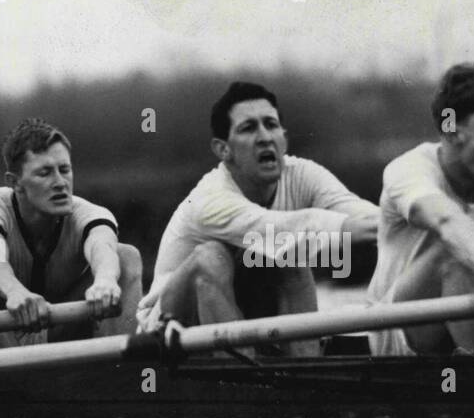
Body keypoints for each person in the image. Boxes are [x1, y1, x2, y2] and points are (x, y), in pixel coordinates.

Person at [138, 81, 378, 356]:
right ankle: (244, 382)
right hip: (166, 330)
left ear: (284, 137)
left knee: (290, 259)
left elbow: (360, 212)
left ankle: (304, 372)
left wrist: (420, 223)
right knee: (213, 257)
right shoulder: (210, 199)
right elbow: (286, 230)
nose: (265, 137)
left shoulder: (305, 175)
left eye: (271, 125)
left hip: (240, 319)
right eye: (248, 128)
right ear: (223, 150)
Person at [0, 117, 142, 347]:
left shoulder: (87, 213)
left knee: (126, 256)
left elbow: (103, 247)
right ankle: (8, 379)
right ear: (15, 182)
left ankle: (121, 371)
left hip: (47, 328)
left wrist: (106, 280)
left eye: (65, 170)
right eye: (45, 173)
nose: (60, 182)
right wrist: (15, 292)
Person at [366, 61, 474, 355]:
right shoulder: (409, 169)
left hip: (472, 320)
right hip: (398, 336)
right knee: (454, 255)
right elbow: (447, 220)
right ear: (452, 131)